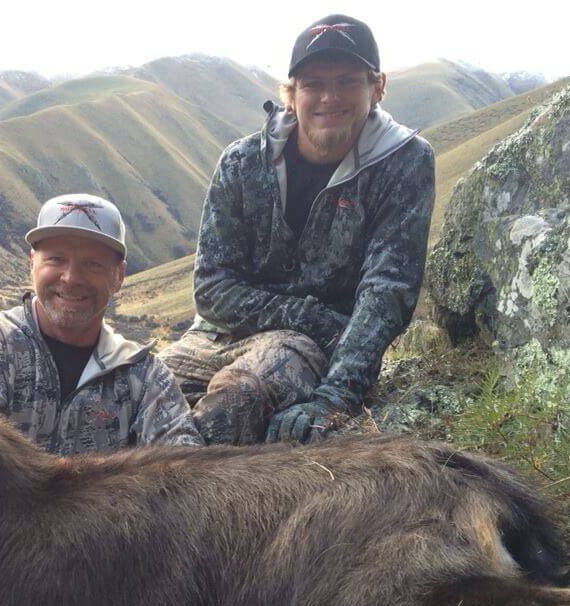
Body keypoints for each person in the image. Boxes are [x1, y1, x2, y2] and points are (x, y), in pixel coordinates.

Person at [160, 14, 435, 445]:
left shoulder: (405, 161)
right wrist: (316, 316)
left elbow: (388, 289)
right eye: (312, 83)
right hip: (212, 337)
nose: (330, 96)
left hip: (302, 350)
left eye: (347, 81)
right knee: (133, 398)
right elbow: (211, 287)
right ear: (291, 94)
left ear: (376, 87)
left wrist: (335, 397)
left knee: (237, 403)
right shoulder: (241, 162)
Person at [0, 193, 202, 453]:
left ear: (119, 276)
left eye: (92, 264)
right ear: (32, 263)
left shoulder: (144, 375)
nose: (70, 278)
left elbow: (188, 469)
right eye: (56, 259)